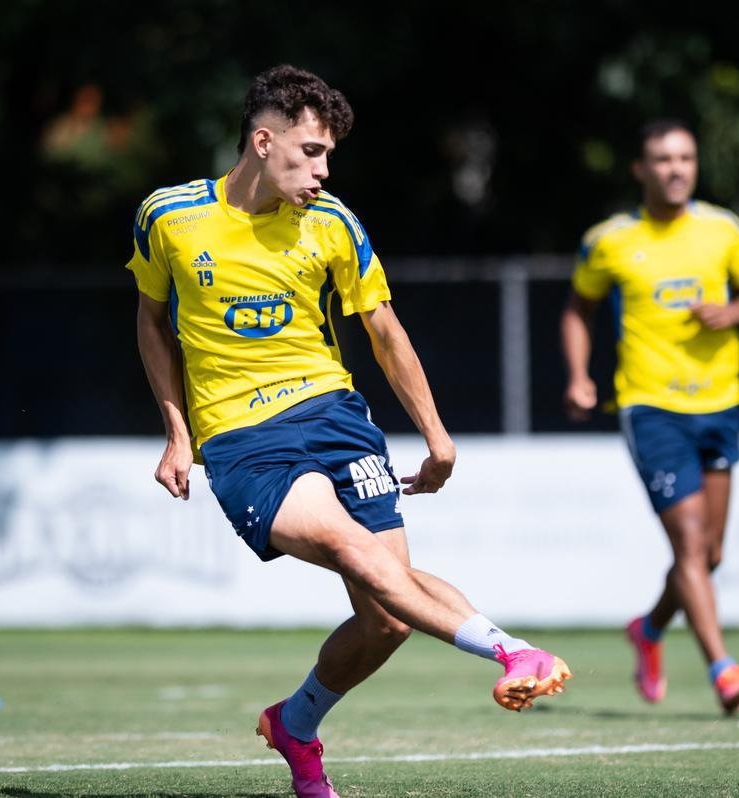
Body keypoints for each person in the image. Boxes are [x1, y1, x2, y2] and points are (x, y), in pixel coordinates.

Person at [126, 65, 571, 798]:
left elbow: (384, 330)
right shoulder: (168, 215)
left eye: (329, 154)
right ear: (263, 142)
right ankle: (512, 651)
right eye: (310, 152)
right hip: (242, 435)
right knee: (352, 548)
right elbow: (150, 321)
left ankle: (294, 725)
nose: (323, 170)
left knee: (387, 619)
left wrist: (438, 435)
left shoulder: (332, 222)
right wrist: (177, 431)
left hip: (336, 417)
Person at [561, 119, 739, 715]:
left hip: (720, 404)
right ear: (640, 170)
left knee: (710, 555)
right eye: (662, 159)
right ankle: (724, 670)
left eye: (685, 158)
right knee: (690, 542)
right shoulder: (610, 240)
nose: (675, 168)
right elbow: (579, 309)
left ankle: (648, 630)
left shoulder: (724, 228)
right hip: (651, 407)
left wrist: (733, 312)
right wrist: (579, 376)